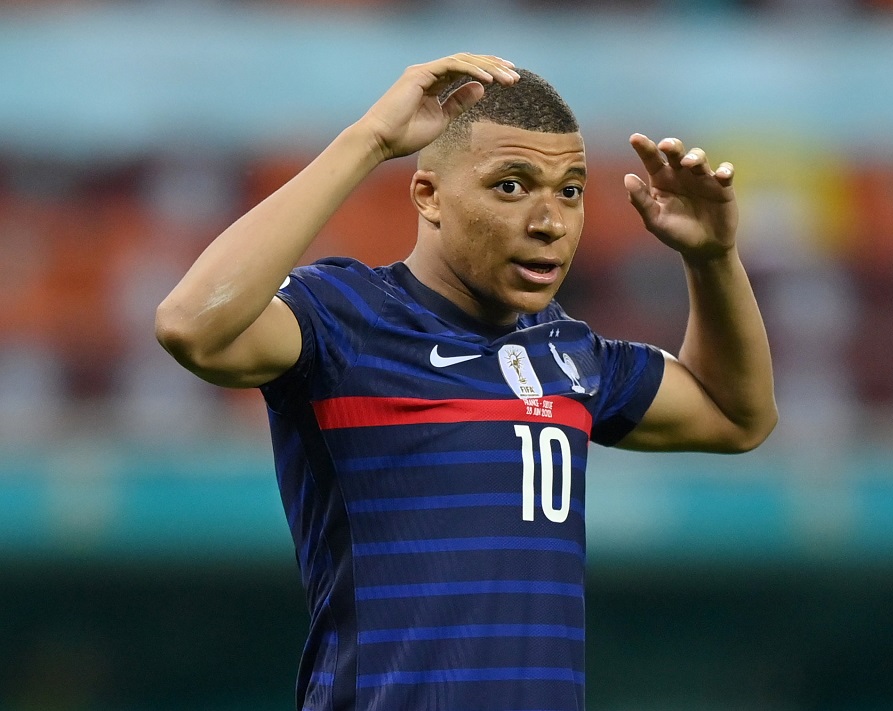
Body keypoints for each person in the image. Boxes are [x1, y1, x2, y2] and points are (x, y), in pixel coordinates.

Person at [155, 53, 777, 711]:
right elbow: (193, 325)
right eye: (511, 185)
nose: (550, 222)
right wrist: (369, 141)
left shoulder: (568, 352)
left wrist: (712, 258)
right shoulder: (346, 317)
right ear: (428, 195)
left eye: (569, 189)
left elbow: (737, 415)